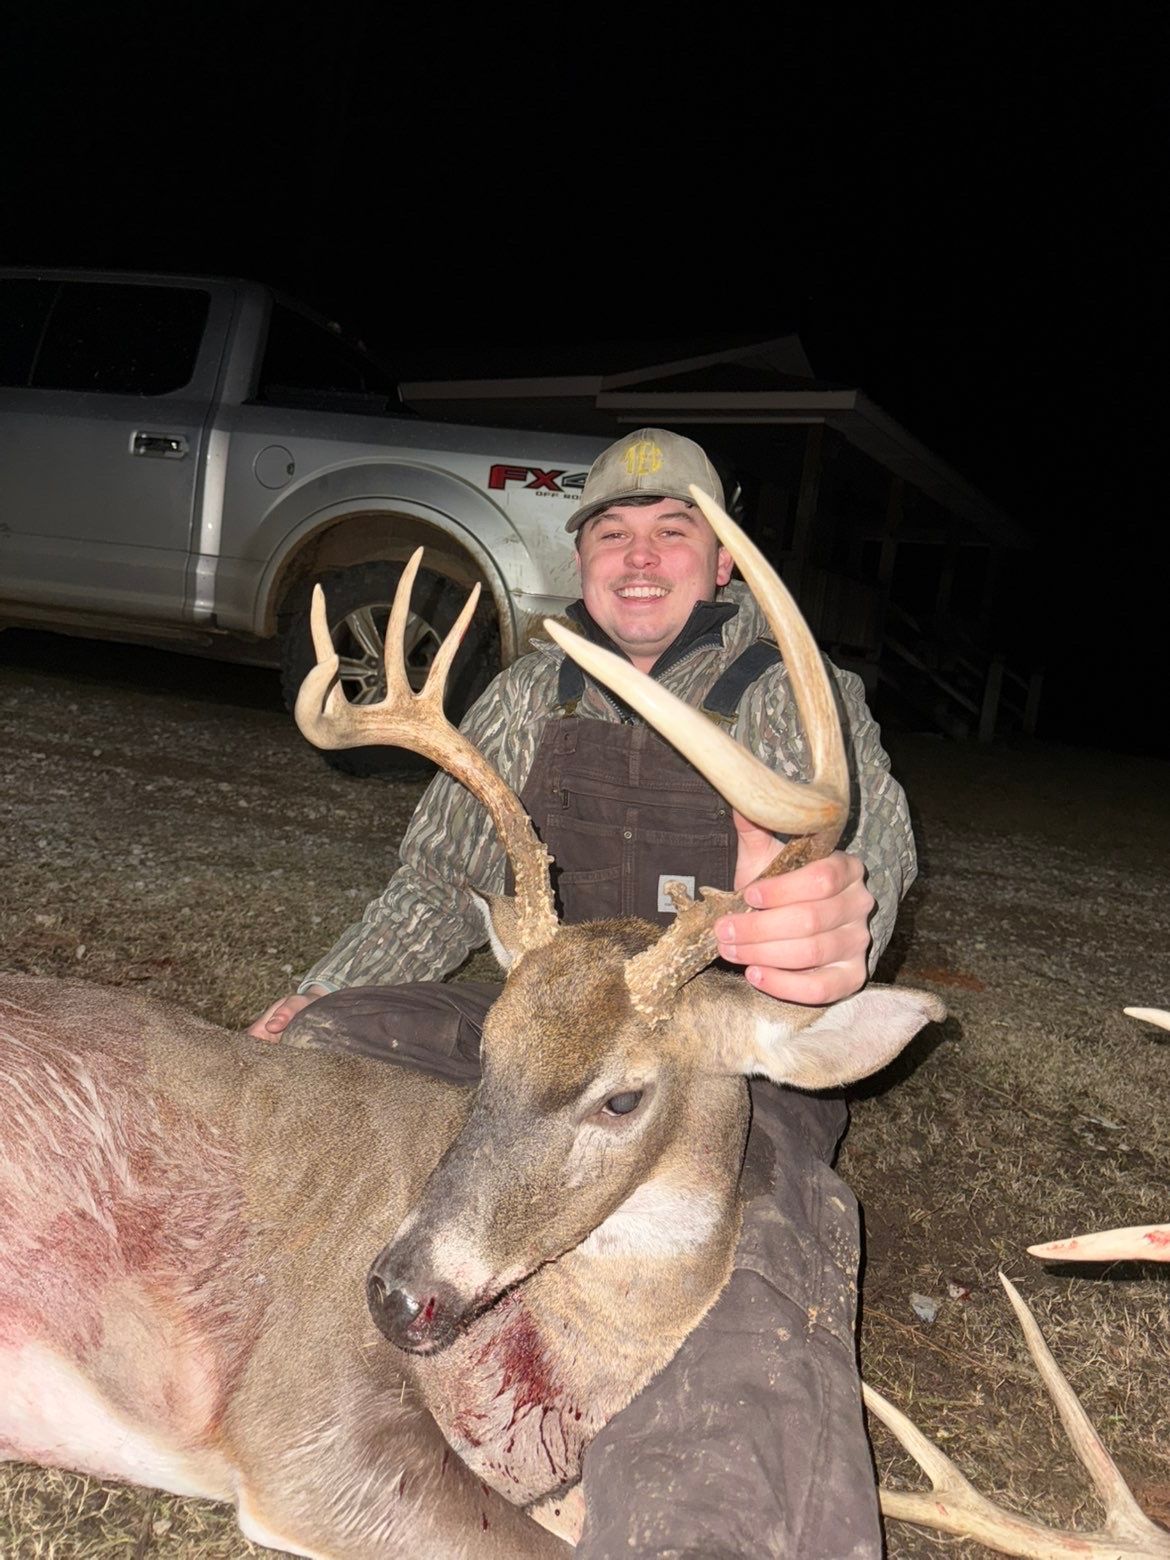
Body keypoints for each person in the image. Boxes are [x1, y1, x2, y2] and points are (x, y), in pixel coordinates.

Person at [250, 428, 917, 1557]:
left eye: (676, 532)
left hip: (709, 1047)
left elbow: (873, 858)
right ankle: (317, 1300)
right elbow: (436, 879)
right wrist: (305, 1000)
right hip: (546, 1030)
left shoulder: (787, 691)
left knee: (771, 1220)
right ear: (582, 557)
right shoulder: (531, 691)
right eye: (613, 534)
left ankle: (719, 1520)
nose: (641, 558)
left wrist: (841, 920)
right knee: (329, 1040)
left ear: (723, 562)